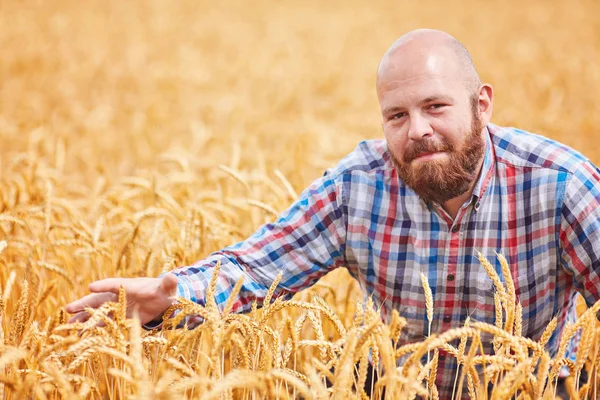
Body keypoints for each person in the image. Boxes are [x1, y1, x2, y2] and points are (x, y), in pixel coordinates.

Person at [66, 29, 600, 397]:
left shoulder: (559, 185)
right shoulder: (358, 187)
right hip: (393, 389)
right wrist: (173, 296)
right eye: (397, 115)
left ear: (481, 105)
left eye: (435, 106)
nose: (417, 129)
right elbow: (259, 268)